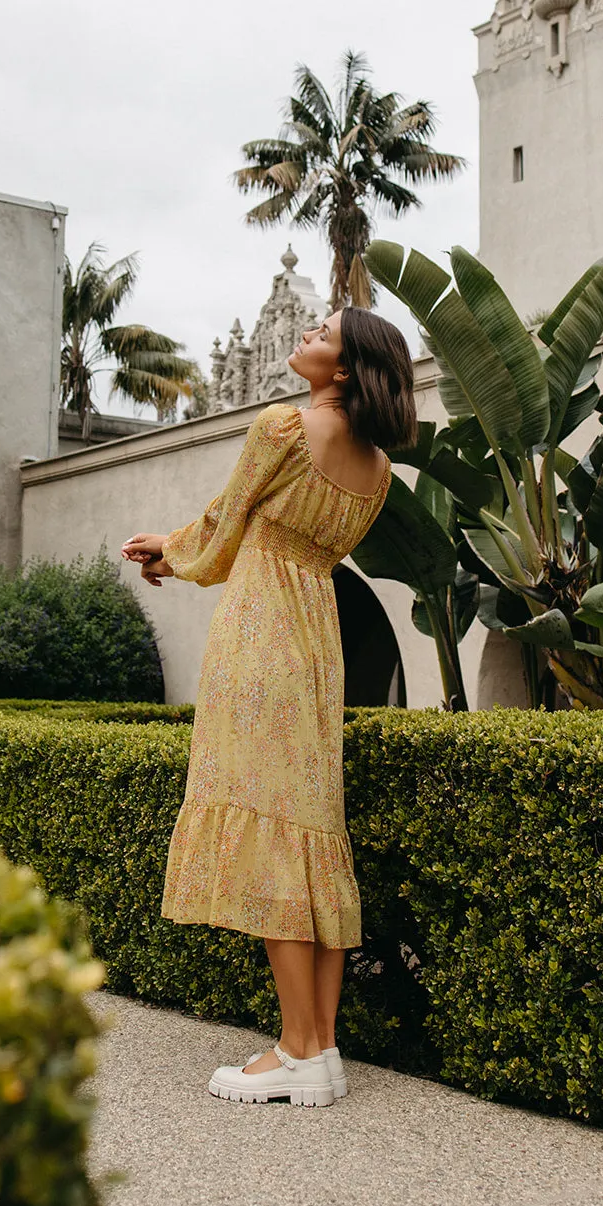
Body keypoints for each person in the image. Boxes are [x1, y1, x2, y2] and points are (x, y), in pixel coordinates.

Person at [123, 305, 416, 1109]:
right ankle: (317, 1049)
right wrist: (189, 548)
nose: (306, 340)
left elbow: (226, 528)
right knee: (307, 832)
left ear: (347, 368)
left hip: (260, 636)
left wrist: (165, 552)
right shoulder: (378, 469)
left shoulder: (284, 427)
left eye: (320, 334)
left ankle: (294, 1050)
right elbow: (271, 534)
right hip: (317, 639)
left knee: (270, 838)